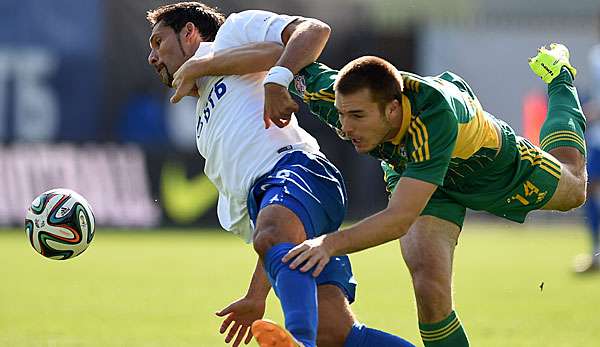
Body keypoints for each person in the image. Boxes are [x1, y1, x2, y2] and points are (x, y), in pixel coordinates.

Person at [259, 43, 584, 347]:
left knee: (575, 186)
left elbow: (399, 219)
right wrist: (266, 78)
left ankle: (559, 77)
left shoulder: (433, 115)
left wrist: (328, 244)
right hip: (417, 177)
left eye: (357, 116)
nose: (345, 128)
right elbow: (287, 42)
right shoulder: (334, 95)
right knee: (429, 288)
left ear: (392, 109)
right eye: (342, 114)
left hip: (488, 168)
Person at [145, 3, 414, 347]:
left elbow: (310, 33)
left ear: (189, 32)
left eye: (158, 42)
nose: (152, 57)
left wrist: (212, 64)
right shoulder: (204, 122)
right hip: (282, 203)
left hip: (299, 172)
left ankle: (299, 341)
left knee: (278, 249)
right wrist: (256, 295)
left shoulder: (231, 35)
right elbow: (272, 237)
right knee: (334, 332)